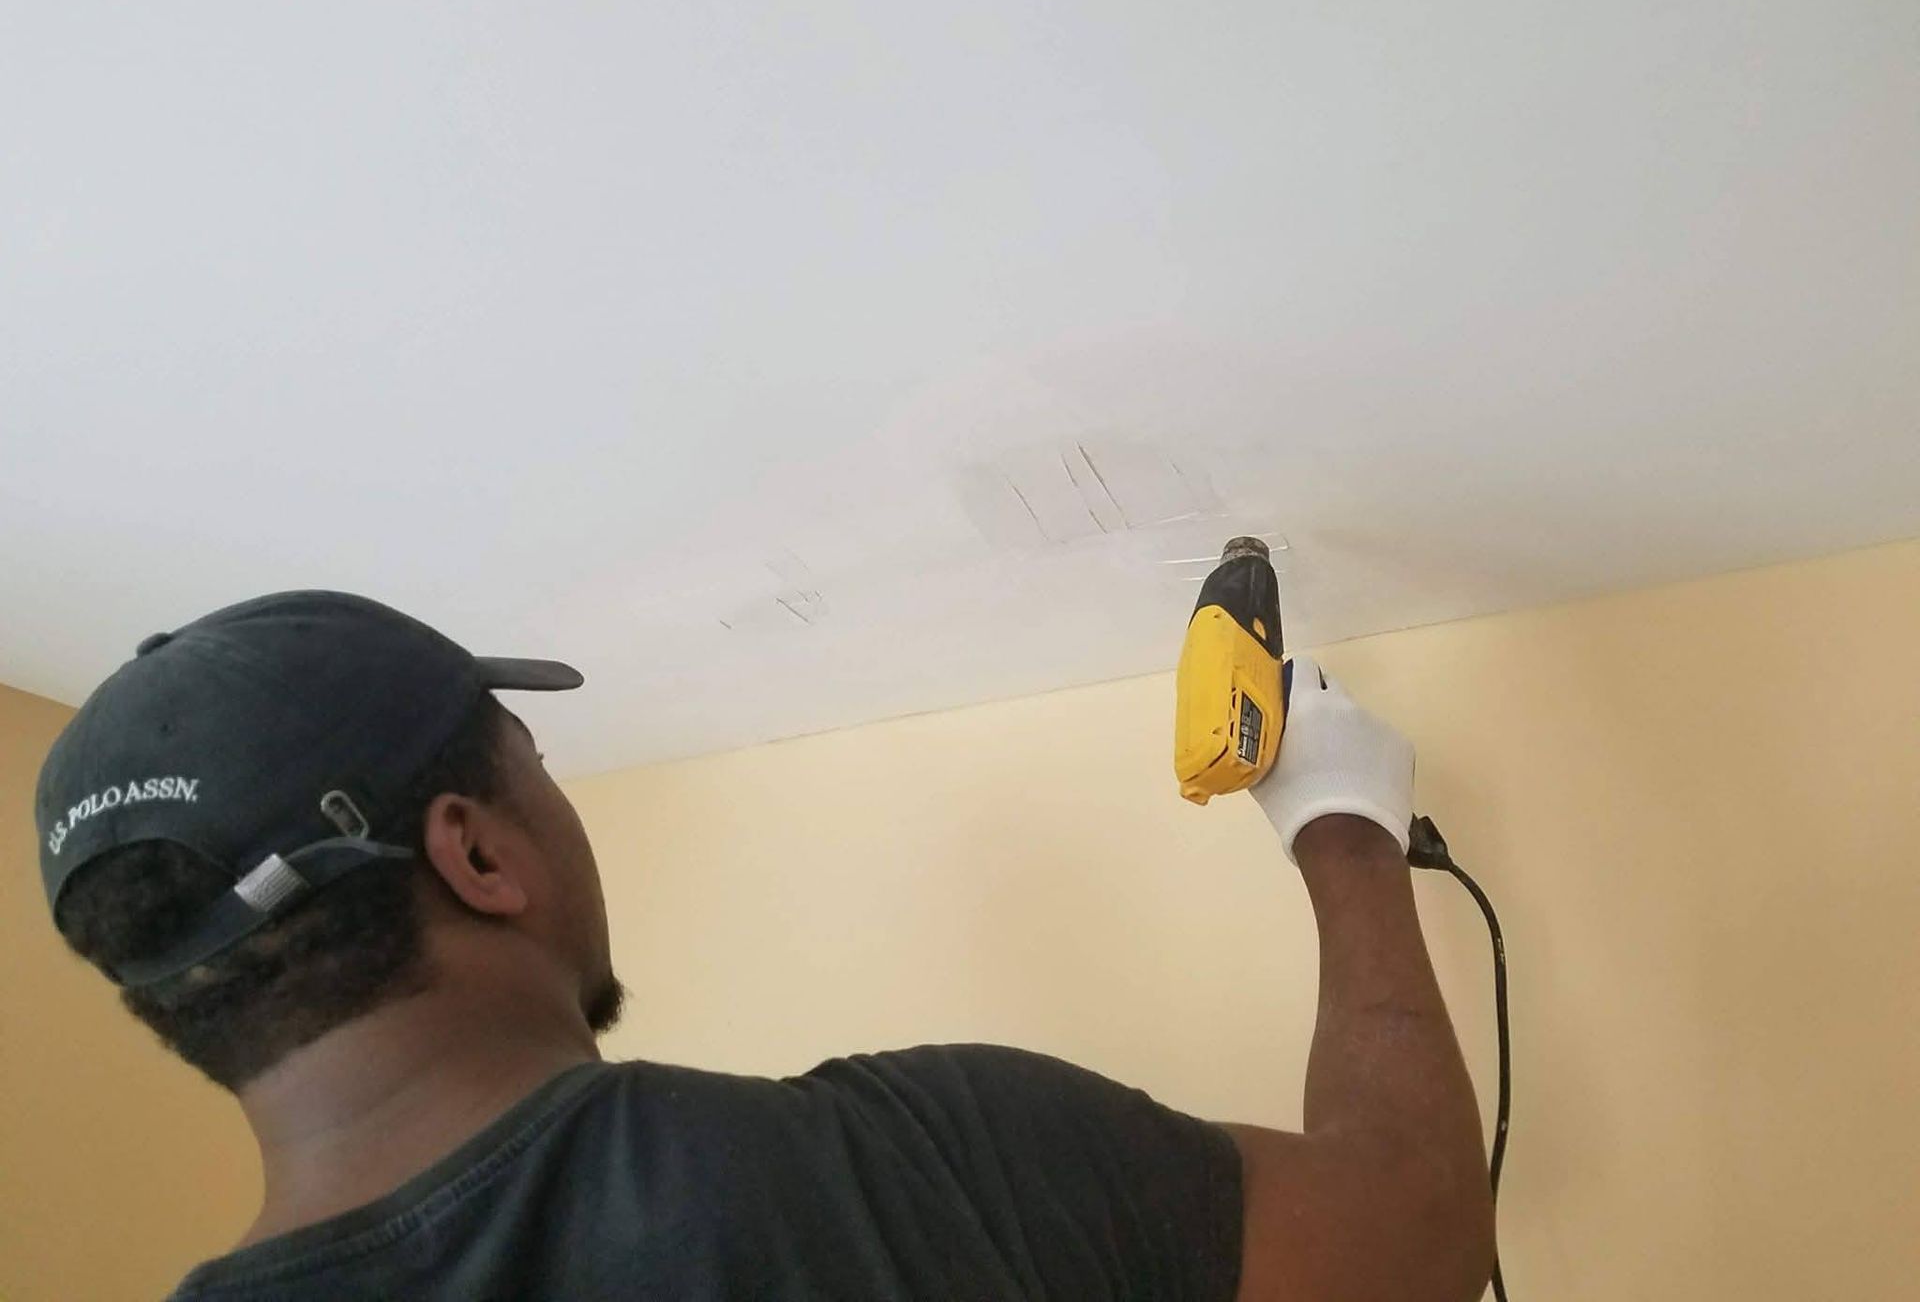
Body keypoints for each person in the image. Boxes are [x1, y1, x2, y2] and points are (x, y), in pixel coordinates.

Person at [36, 590, 1493, 1301]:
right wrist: (1343, 825)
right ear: (480, 853)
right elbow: (1419, 1227)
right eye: (533, 760)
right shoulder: (908, 1170)